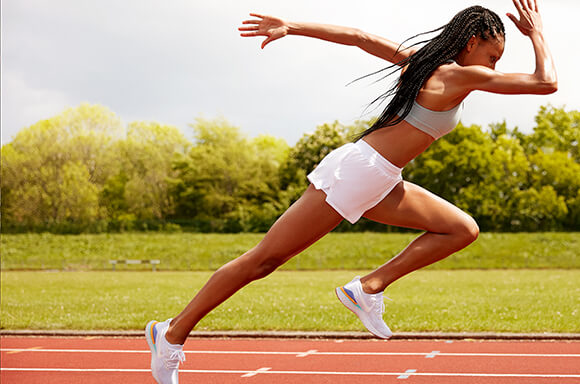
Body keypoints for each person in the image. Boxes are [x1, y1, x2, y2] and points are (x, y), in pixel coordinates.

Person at [145, 0, 557, 382]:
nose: (494, 65)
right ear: (472, 42)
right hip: (357, 173)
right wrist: (537, 32)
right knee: (263, 260)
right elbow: (545, 82)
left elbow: (359, 37)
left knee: (461, 229)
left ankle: (368, 287)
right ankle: (171, 333)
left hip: (381, 178)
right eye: (494, 55)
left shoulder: (421, 64)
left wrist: (293, 26)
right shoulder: (457, 74)